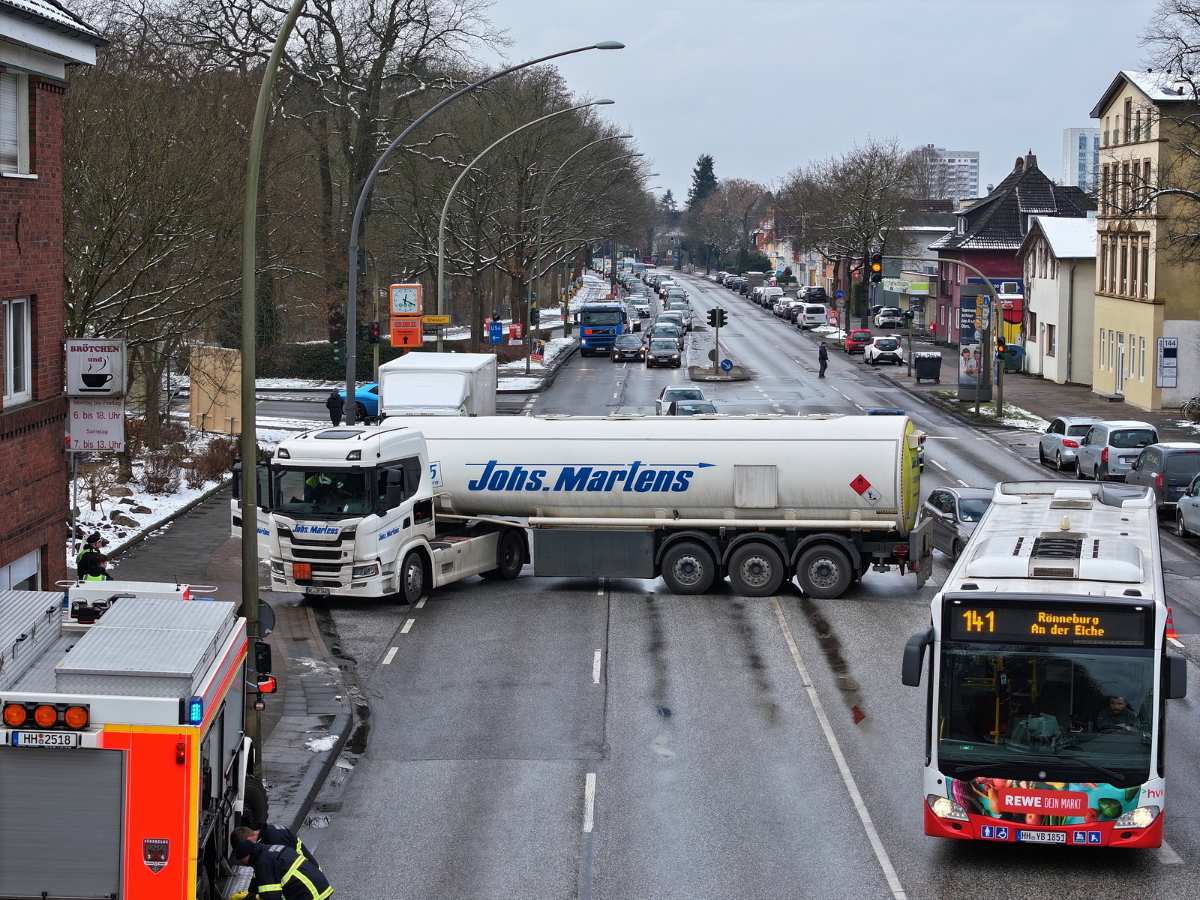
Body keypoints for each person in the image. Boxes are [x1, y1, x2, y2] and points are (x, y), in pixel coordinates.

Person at [230, 828, 332, 900]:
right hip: (319, 887)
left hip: (311, 894)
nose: (246, 865)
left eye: (243, 862)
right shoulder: (268, 851)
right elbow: (259, 880)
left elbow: (271, 897)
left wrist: (251, 897)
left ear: (247, 856)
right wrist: (251, 894)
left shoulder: (263, 863)